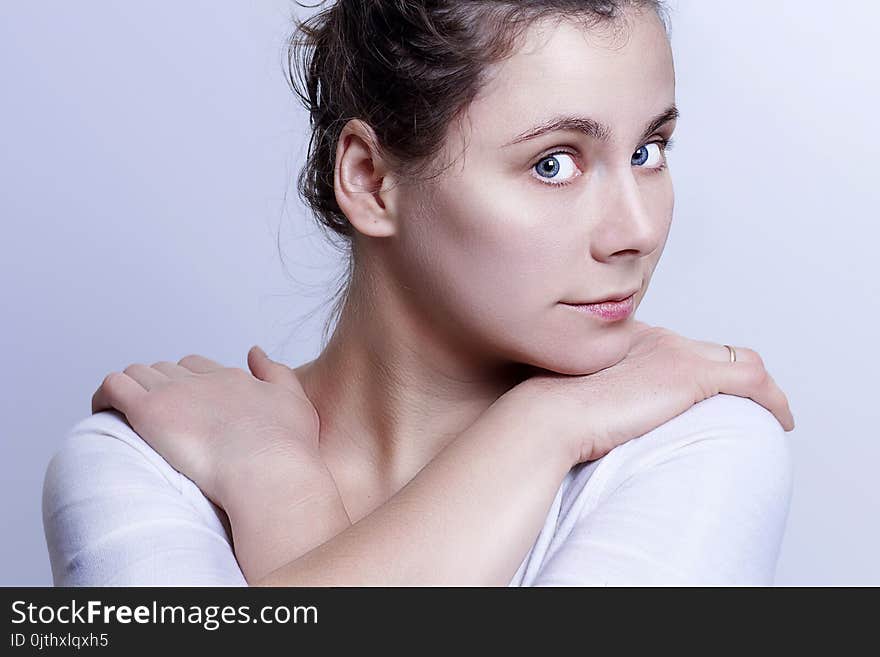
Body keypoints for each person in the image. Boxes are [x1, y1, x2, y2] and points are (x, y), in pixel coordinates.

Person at [42, 0, 795, 586]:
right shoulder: (148, 459)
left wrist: (278, 487)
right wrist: (546, 425)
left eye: (648, 151)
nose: (635, 229)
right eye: (554, 164)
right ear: (370, 180)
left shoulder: (696, 444)